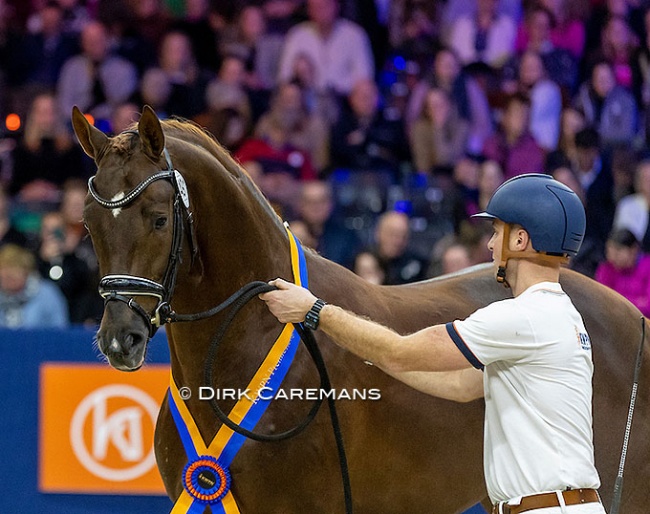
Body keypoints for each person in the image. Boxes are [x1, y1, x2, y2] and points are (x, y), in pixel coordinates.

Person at [260, 173, 606, 514]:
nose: (489, 245)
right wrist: (372, 353)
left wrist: (314, 310)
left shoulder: (520, 318)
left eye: (496, 233)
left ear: (520, 240)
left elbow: (401, 352)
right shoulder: (560, 314)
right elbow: (460, 385)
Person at [276, 0, 374, 97]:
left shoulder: (355, 34)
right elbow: (285, 76)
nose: (321, 11)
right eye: (316, 7)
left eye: (325, 5)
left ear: (336, 5)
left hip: (345, 99)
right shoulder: (297, 35)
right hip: (306, 100)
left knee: (365, 89)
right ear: (309, 9)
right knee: (288, 92)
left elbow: (364, 76)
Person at [0, 244, 68, 328]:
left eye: (15, 270)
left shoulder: (46, 293)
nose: (9, 275)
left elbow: (60, 328)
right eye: (4, 270)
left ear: (27, 272)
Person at [595, 228, 650, 317]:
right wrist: (637, 301)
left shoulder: (647, 266)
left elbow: (648, 306)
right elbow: (601, 299)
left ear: (633, 250)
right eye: (608, 251)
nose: (612, 257)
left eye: (617, 252)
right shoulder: (607, 268)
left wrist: (615, 299)